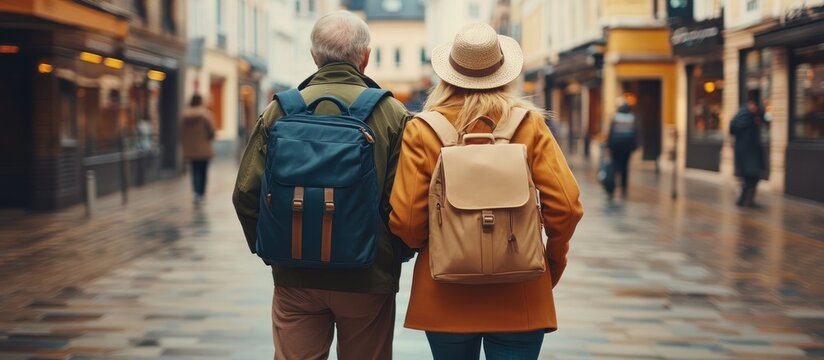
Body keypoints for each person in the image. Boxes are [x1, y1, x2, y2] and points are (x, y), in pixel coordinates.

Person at [389, 23, 584, 360]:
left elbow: (407, 221)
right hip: (521, 290)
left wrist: (444, 240)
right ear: (503, 73)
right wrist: (552, 259)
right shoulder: (529, 124)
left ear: (447, 76)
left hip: (443, 291)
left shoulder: (422, 129)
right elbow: (566, 208)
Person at [231, 11, 409, 360]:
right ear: (366, 57)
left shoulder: (279, 111)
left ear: (314, 56)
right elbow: (403, 203)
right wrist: (391, 256)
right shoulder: (392, 114)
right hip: (368, 275)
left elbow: (245, 194)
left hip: (295, 274)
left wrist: (274, 250)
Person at [730, 97, 765, 207]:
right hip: (748, 153)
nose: (755, 108)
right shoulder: (746, 116)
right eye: (754, 105)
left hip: (747, 153)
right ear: (750, 104)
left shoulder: (747, 116)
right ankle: (744, 201)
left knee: (750, 177)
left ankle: (745, 200)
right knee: (751, 177)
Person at [180, 94, 215, 205]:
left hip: (191, 149)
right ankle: (201, 193)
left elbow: (181, 132)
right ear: (200, 102)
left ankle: (196, 193)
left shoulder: (184, 115)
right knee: (203, 171)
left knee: (194, 170)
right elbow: (211, 131)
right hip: (204, 148)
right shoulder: (205, 114)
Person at [606, 100, 639, 199]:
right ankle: (624, 188)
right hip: (627, 147)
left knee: (615, 166)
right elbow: (635, 133)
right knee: (625, 167)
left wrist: (609, 146)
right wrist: (634, 146)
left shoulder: (615, 117)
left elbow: (611, 133)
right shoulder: (631, 118)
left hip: (616, 146)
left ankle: (613, 186)